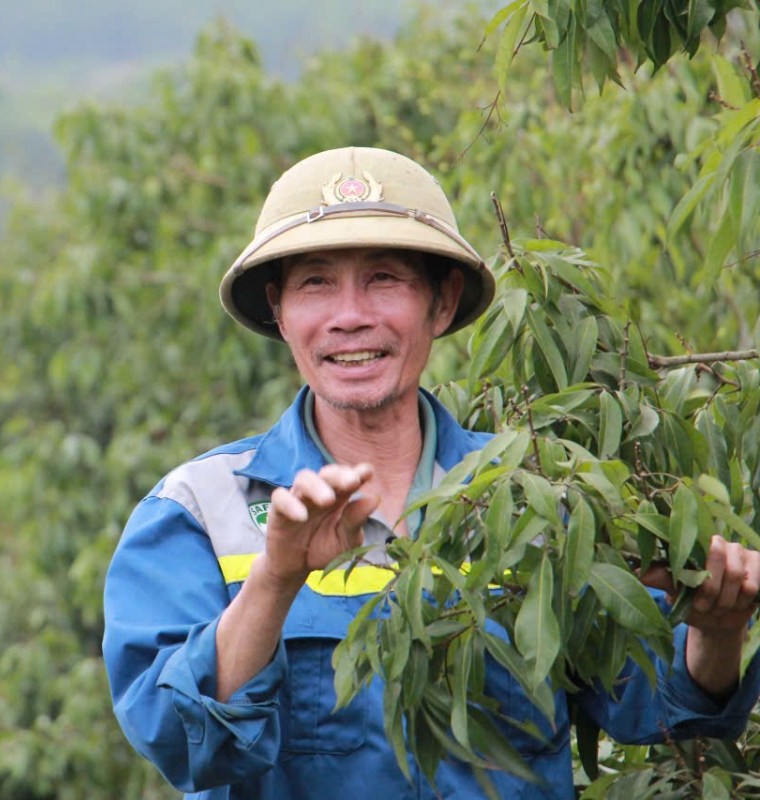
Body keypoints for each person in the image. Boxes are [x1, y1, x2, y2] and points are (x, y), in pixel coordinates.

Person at [101, 147, 760, 799]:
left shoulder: (539, 495)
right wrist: (275, 579)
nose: (350, 315)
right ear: (279, 311)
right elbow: (178, 738)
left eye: (385, 278)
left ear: (441, 305)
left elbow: (661, 703)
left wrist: (719, 628)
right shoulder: (199, 511)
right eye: (315, 283)